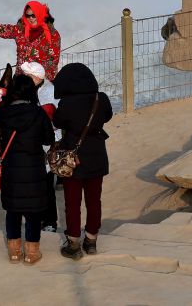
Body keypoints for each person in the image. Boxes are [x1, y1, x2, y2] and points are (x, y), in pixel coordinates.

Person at [0, 73, 55, 265]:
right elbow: (48, 139)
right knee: (33, 213)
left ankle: (14, 252)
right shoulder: (38, 113)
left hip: (11, 169)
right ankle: (32, 253)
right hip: (34, 170)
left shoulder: (2, 113)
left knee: (13, 211)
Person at [51, 63, 112, 260]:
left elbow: (58, 122)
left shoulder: (67, 103)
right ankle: (91, 241)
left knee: (72, 203)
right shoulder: (100, 98)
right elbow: (108, 116)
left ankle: (74, 244)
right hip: (97, 156)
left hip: (72, 159)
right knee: (95, 201)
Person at [0, 1, 62, 80]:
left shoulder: (52, 34)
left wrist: (39, 78)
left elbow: (53, 61)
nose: (30, 18)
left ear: (40, 14)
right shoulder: (20, 30)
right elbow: (1, 29)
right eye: (28, 15)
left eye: (33, 15)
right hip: (20, 79)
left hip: (40, 81)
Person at [21, 61, 59, 232]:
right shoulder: (23, 91)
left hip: (46, 144)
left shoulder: (50, 91)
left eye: (27, 76)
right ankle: (35, 219)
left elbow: (57, 119)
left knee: (46, 185)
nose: (23, 78)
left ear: (37, 77)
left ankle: (50, 221)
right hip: (28, 145)